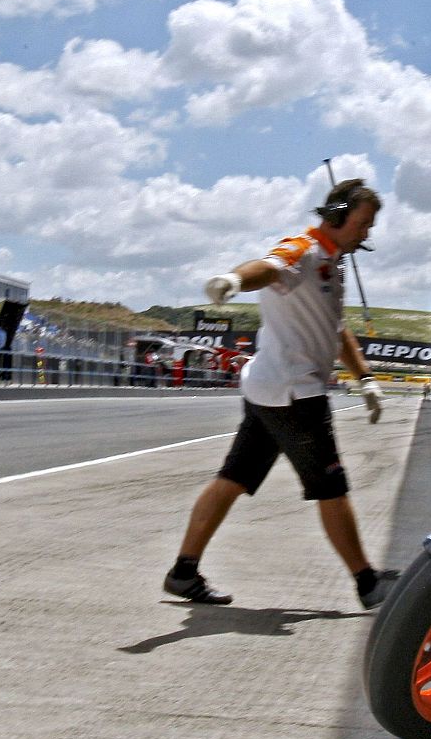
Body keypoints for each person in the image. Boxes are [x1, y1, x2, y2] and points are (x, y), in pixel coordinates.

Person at [164, 178, 398, 610]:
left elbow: (336, 327)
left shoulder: (331, 262)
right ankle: (368, 584)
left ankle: (182, 572)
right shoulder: (303, 249)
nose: (367, 233)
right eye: (364, 223)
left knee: (232, 479)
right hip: (294, 394)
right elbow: (269, 267)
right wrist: (233, 280)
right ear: (338, 216)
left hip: (270, 390)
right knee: (330, 486)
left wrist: (364, 378)